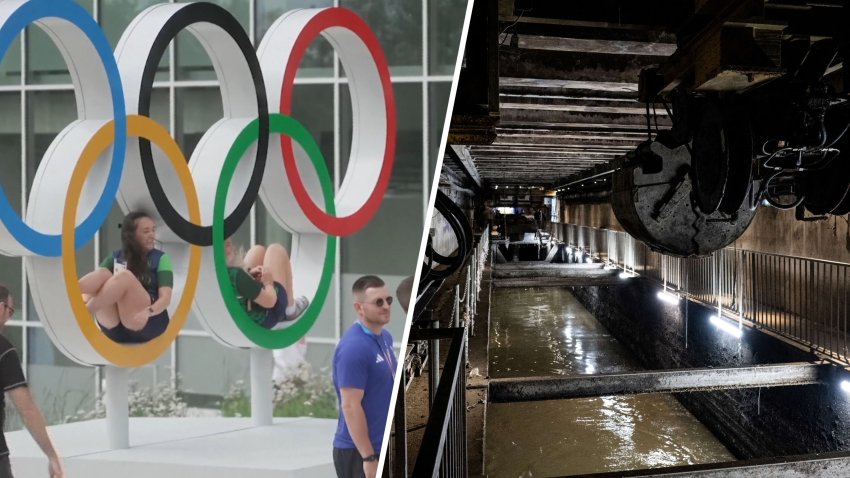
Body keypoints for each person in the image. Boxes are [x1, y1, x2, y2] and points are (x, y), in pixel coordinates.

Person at [332, 275, 397, 478]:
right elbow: (350, 405)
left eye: (388, 300)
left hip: (382, 444)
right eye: (378, 302)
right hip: (360, 452)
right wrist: (368, 458)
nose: (386, 306)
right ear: (359, 308)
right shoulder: (354, 348)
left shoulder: (385, 337)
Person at [79, 211, 173, 343]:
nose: (152, 235)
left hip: (146, 322)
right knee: (104, 274)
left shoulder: (160, 258)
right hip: (115, 327)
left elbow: (166, 299)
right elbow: (95, 283)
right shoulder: (117, 255)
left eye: (153, 230)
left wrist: (148, 312)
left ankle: (83, 312)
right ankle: (69, 291)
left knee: (125, 277)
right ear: (132, 235)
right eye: (146, 231)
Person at [0, 284, 63, 478]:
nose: (8, 319)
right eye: (10, 311)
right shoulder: (4, 350)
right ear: (1, 307)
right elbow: (26, 408)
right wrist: (52, 456)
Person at [224, 239, 309, 328]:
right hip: (267, 314)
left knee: (257, 250)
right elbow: (270, 301)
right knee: (276, 251)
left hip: (244, 310)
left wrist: (249, 276)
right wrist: (268, 282)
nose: (233, 247)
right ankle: (291, 309)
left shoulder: (215, 274)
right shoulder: (237, 275)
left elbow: (236, 287)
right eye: (228, 244)